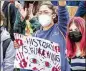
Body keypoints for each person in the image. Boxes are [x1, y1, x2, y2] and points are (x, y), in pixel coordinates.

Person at [14, 1, 70, 71]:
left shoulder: (61, 29)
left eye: (46, 12)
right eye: (40, 13)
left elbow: (63, 9)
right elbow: (27, 64)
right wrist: (20, 45)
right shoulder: (34, 36)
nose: (42, 15)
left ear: (54, 15)